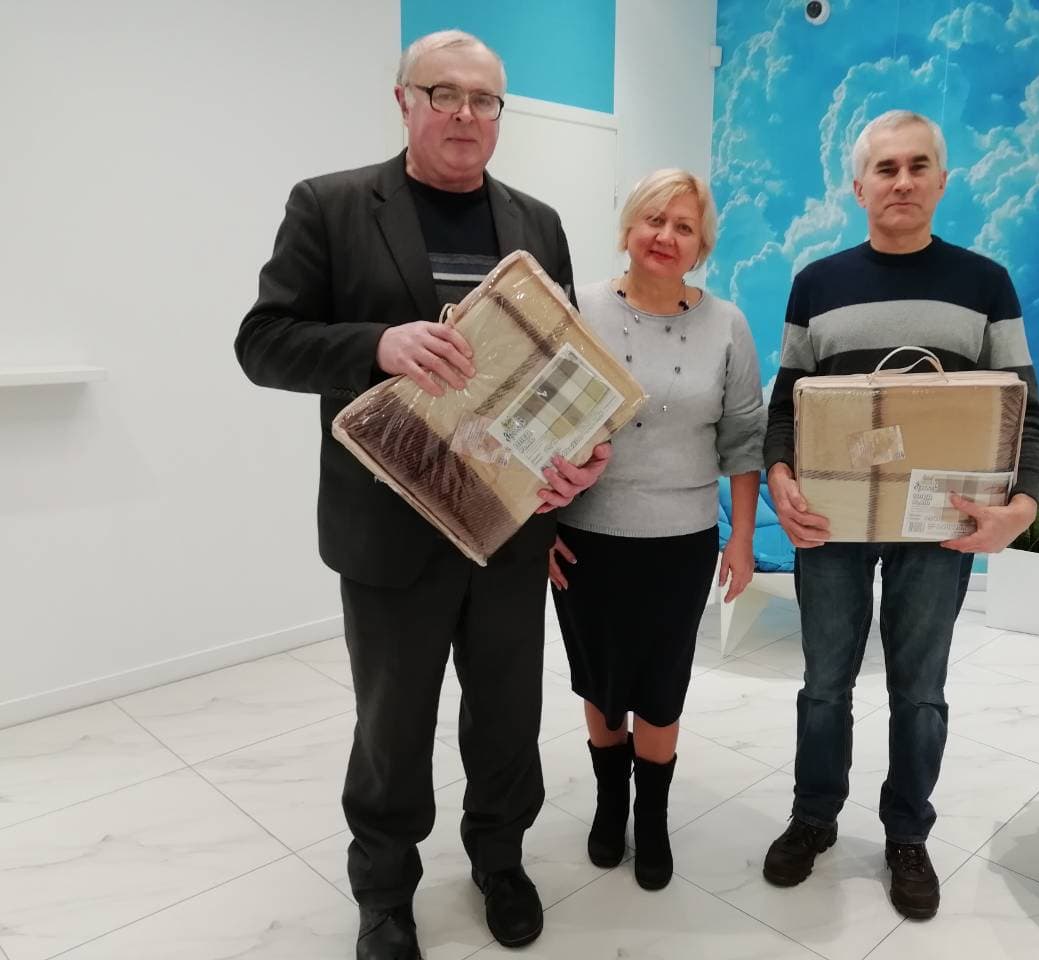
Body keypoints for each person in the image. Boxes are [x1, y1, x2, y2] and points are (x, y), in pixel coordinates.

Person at [234, 30, 610, 959]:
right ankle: (385, 893)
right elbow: (263, 342)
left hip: (510, 525)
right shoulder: (329, 206)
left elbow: (562, 367)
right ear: (402, 100)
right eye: (443, 93)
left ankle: (500, 860)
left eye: (484, 100)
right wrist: (377, 345)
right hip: (387, 527)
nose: (465, 114)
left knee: (508, 715)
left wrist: (581, 454)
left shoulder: (537, 222)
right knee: (393, 725)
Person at [758, 110, 1039, 920]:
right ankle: (814, 816)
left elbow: (1027, 414)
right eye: (885, 169)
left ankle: (907, 835)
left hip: (940, 527)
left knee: (920, 693)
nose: (902, 182)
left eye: (919, 166)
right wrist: (780, 478)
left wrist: (1019, 509)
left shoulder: (985, 284)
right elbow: (784, 408)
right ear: (858, 187)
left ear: (942, 182)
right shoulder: (817, 284)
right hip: (831, 524)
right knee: (824, 686)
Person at [547, 169, 765, 890]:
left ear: (702, 245)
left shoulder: (727, 325)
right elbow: (533, 422)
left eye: (684, 226)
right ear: (629, 228)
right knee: (601, 678)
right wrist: (537, 529)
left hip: (681, 542)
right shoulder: (578, 309)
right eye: (654, 220)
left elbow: (743, 438)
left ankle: (653, 817)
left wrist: (740, 538)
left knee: (662, 685)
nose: (666, 236)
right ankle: (611, 802)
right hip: (586, 537)